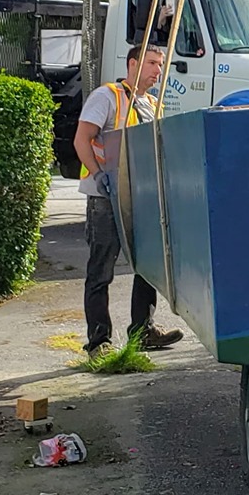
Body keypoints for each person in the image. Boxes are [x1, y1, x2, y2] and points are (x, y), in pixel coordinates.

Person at [74, 42, 184, 357]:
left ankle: (143, 331)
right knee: (101, 270)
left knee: (148, 266)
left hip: (141, 198)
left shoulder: (153, 104)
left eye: (160, 65)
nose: (158, 71)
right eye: (152, 63)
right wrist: (98, 174)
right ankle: (99, 341)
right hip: (105, 198)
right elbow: (81, 140)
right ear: (132, 64)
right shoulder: (107, 97)